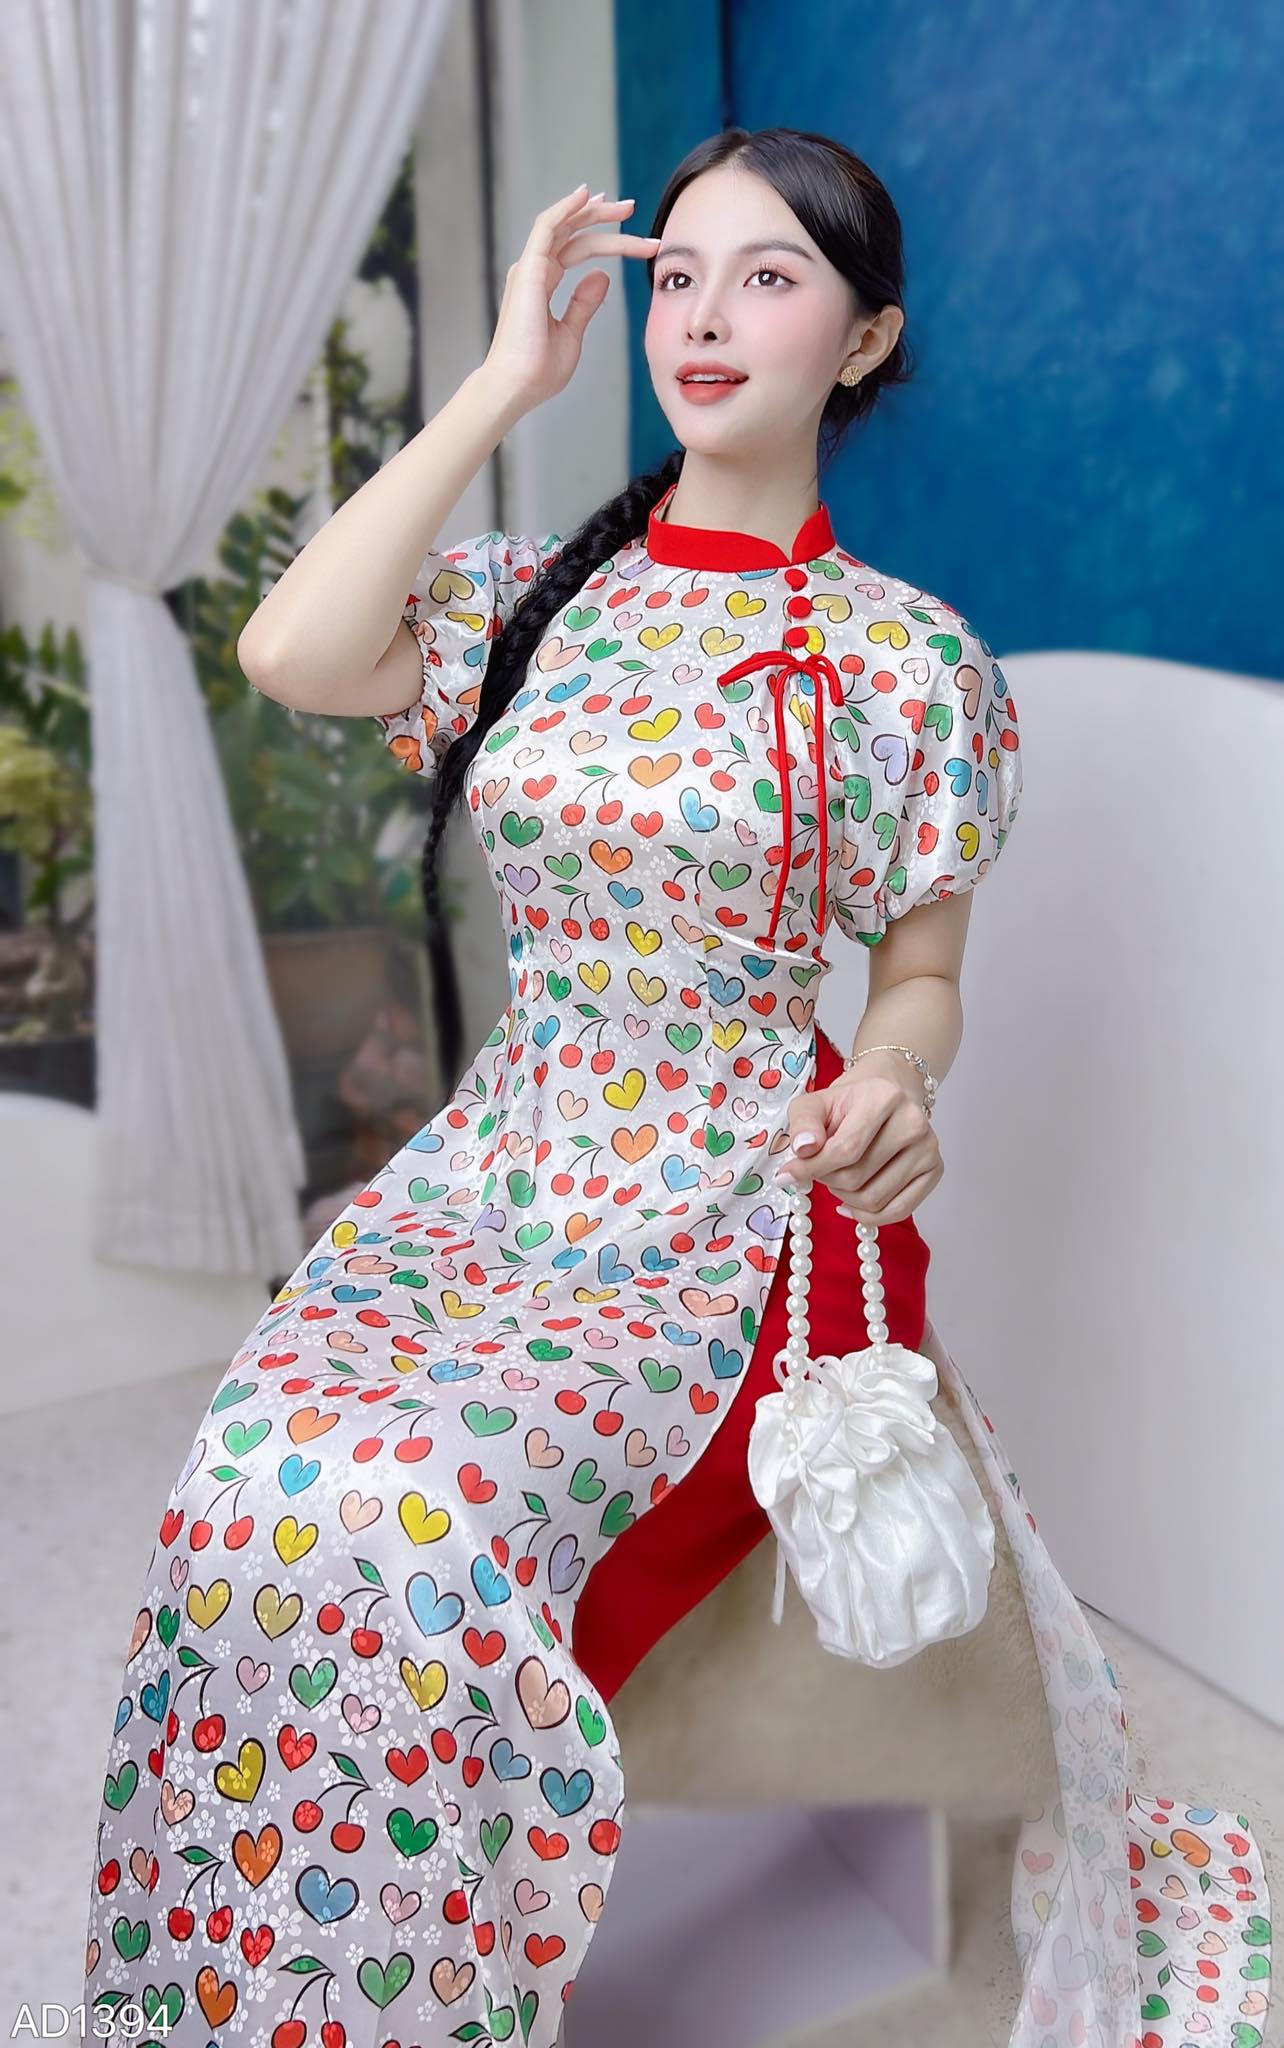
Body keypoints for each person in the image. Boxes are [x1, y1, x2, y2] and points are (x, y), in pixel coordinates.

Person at [84, 128, 1271, 2048]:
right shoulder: (535, 601)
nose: (705, 319)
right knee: (253, 1478)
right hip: (496, 1170)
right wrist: (504, 381)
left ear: (866, 338)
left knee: (422, 1515)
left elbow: (922, 979)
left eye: (769, 279)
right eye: (680, 277)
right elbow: (291, 649)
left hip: (727, 1203)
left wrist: (895, 1081)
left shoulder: (908, 663)